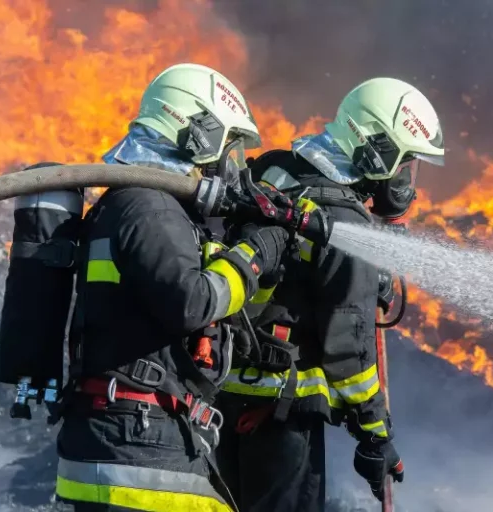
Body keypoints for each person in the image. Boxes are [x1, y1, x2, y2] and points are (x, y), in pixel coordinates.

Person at [53, 63, 290, 512]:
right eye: (230, 149)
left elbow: (217, 312)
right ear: (198, 135)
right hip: (140, 447)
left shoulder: (137, 206)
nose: (232, 167)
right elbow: (192, 301)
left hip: (130, 438)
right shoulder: (151, 207)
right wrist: (253, 253)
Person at [215, 77, 445, 511]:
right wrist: (375, 436)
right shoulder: (345, 224)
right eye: (405, 164)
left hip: (222, 398)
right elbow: (350, 352)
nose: (406, 181)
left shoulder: (272, 170)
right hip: (281, 417)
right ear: (375, 148)